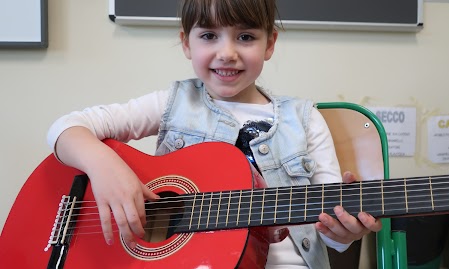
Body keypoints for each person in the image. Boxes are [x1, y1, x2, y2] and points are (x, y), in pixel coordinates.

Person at [46, 0, 382, 268]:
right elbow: (65, 128)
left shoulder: (305, 119)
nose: (227, 53)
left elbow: (334, 238)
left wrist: (344, 231)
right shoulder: (171, 104)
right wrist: (106, 168)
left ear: (270, 44)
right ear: (186, 42)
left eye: (246, 37)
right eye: (209, 36)